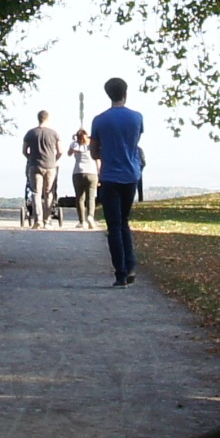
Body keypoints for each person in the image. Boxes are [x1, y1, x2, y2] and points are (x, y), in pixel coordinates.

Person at [87, 75, 146, 287]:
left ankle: (120, 273)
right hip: (131, 175)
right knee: (124, 222)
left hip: (110, 176)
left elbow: (94, 152)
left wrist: (103, 151)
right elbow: (135, 142)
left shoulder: (99, 120)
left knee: (114, 225)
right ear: (125, 93)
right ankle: (130, 265)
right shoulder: (137, 118)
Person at [19, 109, 64, 228]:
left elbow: (24, 151)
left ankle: (37, 220)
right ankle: (47, 220)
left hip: (34, 165)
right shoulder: (54, 134)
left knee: (36, 192)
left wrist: (30, 158)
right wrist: (54, 159)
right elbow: (60, 151)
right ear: (47, 119)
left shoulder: (30, 133)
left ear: (38, 118)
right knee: (49, 193)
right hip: (50, 166)